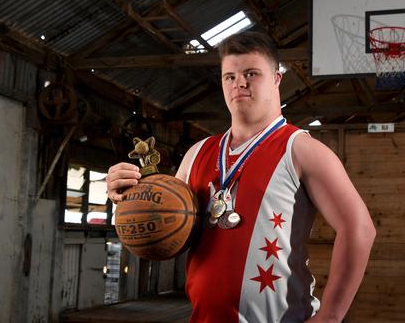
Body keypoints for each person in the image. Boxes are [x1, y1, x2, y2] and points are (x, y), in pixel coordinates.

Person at [107, 31, 375, 322]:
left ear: (276, 79)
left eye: (251, 73)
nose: (239, 83)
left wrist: (331, 317)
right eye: (230, 76)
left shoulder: (302, 149)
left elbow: (359, 228)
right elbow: (164, 227)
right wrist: (128, 197)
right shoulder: (197, 153)